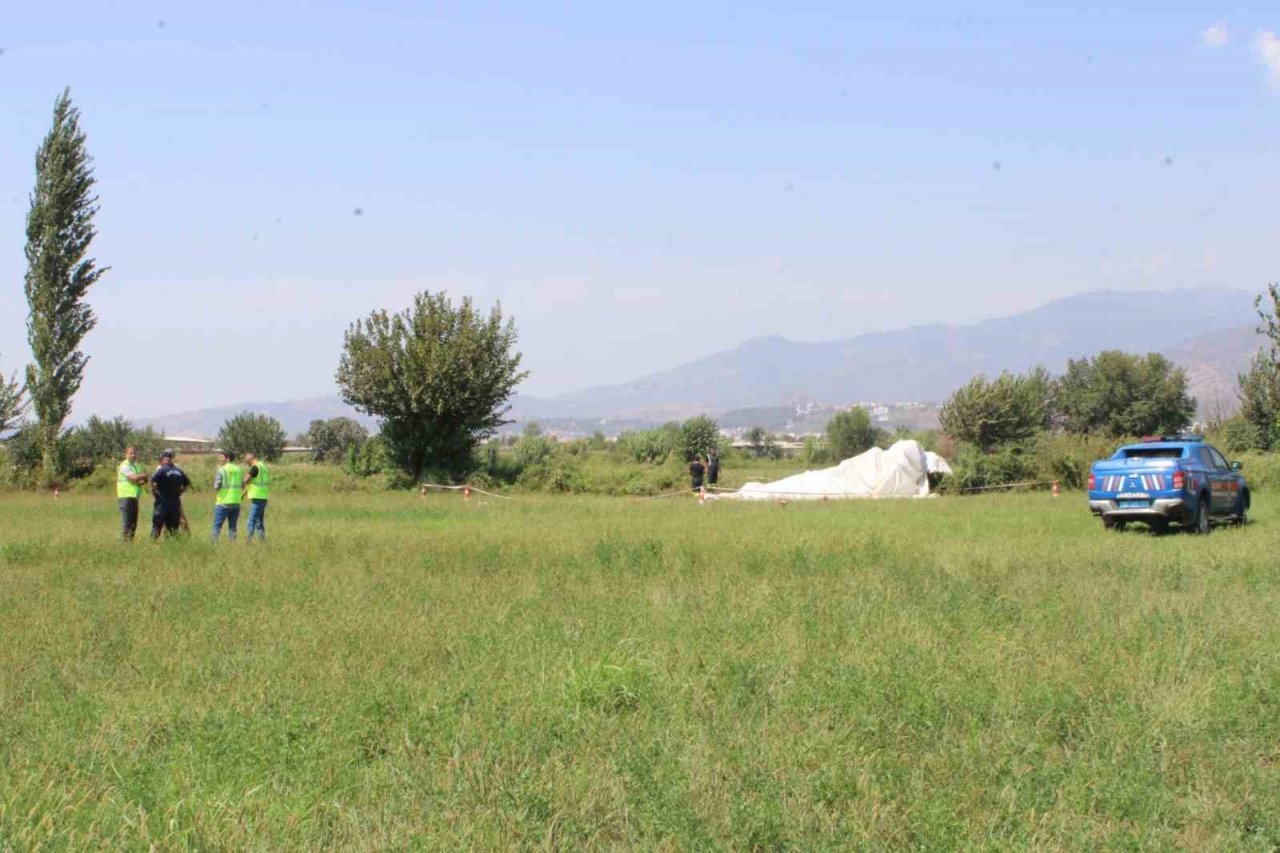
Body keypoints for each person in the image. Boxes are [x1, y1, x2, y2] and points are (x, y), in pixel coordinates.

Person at [150, 449, 191, 539]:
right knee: (173, 522)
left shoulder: (161, 469)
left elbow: (152, 480)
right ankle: (174, 539)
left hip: (163, 500)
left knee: (158, 521)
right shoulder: (178, 470)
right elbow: (187, 484)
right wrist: (180, 492)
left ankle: (154, 540)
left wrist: (155, 492)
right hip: (175, 500)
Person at [116, 446, 149, 541]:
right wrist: (143, 476)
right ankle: (125, 543)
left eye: (134, 453)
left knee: (134, 523)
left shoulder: (137, 466)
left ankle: (130, 541)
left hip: (134, 497)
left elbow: (142, 480)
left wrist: (142, 478)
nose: (133, 455)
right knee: (127, 522)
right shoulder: (124, 466)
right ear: (126, 455)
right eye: (131, 453)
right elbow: (134, 478)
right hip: (125, 497)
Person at [210, 450, 243, 542]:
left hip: (223, 502)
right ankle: (232, 545)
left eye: (221, 457)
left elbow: (216, 487)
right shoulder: (238, 470)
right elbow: (242, 485)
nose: (219, 459)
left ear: (227, 458)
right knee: (232, 527)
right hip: (236, 502)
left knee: (217, 526)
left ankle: (213, 545)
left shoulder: (222, 470)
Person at [243, 452, 270, 542]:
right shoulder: (263, 467)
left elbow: (246, 480)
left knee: (251, 521)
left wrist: (242, 482)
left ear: (249, 460)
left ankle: (248, 541)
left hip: (257, 498)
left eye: (246, 461)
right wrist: (244, 494)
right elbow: (254, 482)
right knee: (259, 521)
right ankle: (262, 540)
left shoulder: (255, 467)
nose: (246, 463)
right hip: (263, 497)